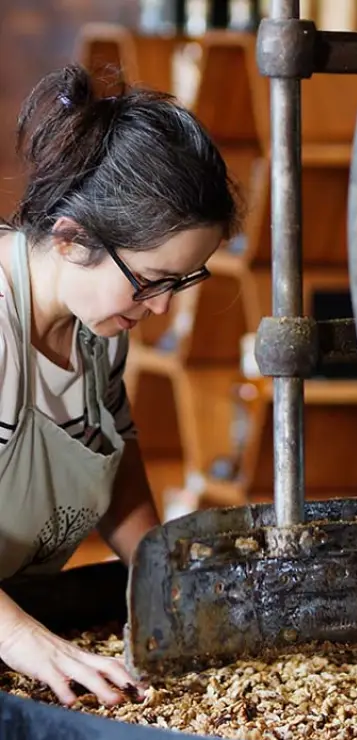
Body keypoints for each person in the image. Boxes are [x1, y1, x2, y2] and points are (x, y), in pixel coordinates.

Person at [0, 64, 241, 707]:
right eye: (153, 280)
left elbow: (117, 457)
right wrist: (26, 640)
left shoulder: (100, 325)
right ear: (73, 239)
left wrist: (163, 582)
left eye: (181, 283)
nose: (162, 308)